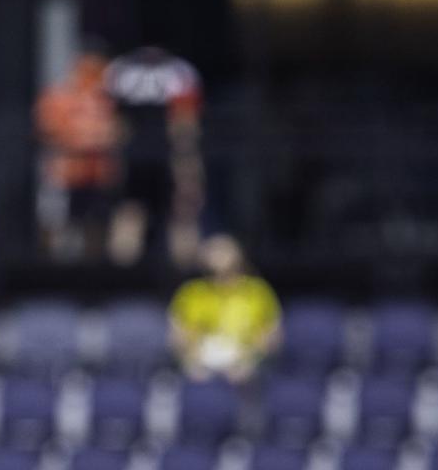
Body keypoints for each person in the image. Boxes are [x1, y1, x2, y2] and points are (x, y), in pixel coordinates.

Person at [104, 43, 203, 268]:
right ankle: (125, 277)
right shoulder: (178, 72)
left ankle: (182, 273)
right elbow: (184, 124)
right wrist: (188, 165)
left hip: (149, 154)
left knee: (176, 214)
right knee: (137, 214)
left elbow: (183, 122)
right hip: (149, 155)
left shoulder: (121, 71)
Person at [34, 48, 120, 262]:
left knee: (97, 220)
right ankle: (52, 262)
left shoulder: (105, 101)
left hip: (97, 174)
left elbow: (114, 132)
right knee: (58, 219)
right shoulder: (59, 97)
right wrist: (82, 136)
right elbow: (48, 129)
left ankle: (95, 264)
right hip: (65, 173)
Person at [168, 234, 281, 384]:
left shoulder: (257, 292)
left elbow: (272, 338)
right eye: (213, 249)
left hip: (246, 371)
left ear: (238, 255)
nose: (217, 254)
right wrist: (192, 363)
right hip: (201, 370)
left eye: (223, 250)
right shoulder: (191, 292)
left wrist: (251, 362)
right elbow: (178, 338)